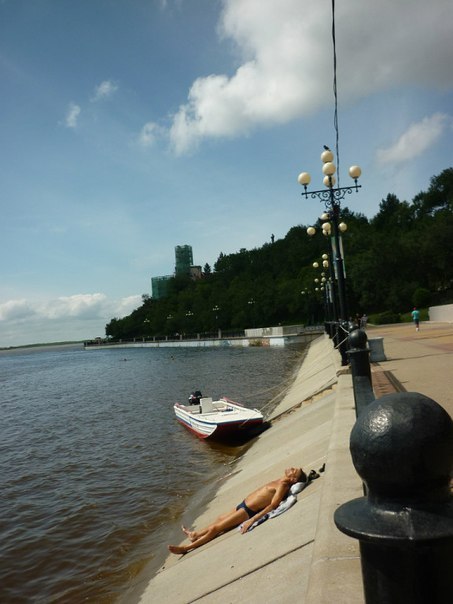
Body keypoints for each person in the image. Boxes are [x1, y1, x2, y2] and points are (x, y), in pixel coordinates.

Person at [168, 467, 306, 555]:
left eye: (294, 471)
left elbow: (273, 505)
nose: (291, 468)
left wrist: (251, 520)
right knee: (220, 519)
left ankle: (186, 548)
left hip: (248, 511)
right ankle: (195, 534)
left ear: (293, 479)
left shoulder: (283, 485)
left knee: (216, 529)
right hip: (243, 504)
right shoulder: (280, 480)